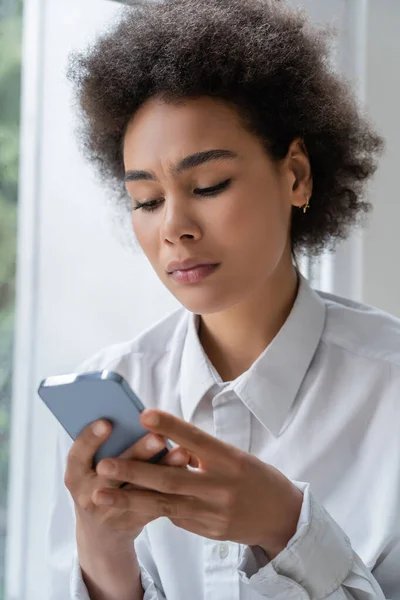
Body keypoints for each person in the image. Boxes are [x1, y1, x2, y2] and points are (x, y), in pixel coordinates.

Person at [45, 0, 400, 599]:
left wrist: (287, 526)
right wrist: (103, 554)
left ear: (296, 176)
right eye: (147, 201)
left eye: (208, 185)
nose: (174, 228)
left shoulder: (391, 393)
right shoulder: (115, 387)